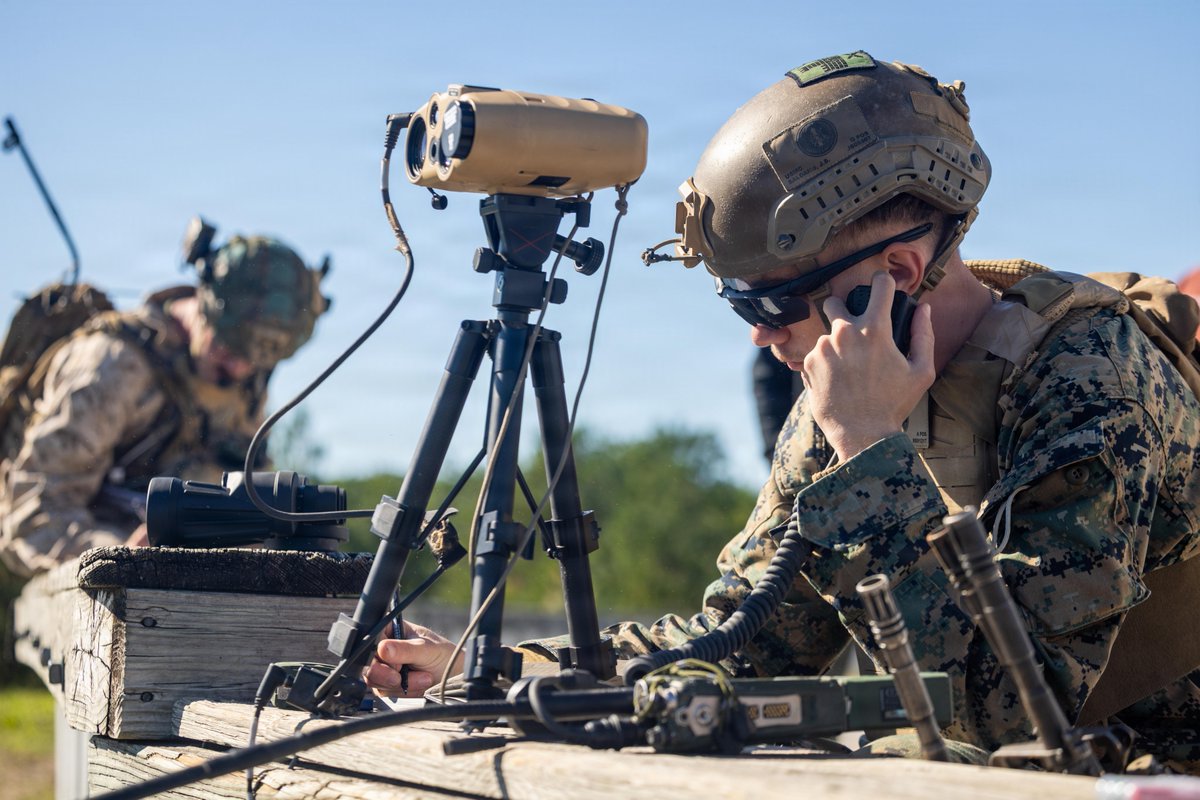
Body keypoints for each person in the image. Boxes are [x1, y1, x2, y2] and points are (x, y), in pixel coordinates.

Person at [364, 53, 1200, 769]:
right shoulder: (834, 399)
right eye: (742, 310)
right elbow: (743, 640)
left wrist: (871, 444)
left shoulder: (1089, 375)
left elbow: (1015, 714)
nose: (765, 341)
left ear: (898, 278)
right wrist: (503, 670)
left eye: (771, 307)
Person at [0, 218, 329, 577]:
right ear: (202, 303)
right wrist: (121, 557)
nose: (238, 369)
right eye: (225, 349)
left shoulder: (244, 376)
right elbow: (36, 513)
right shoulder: (112, 368)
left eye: (255, 362)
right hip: (87, 582)